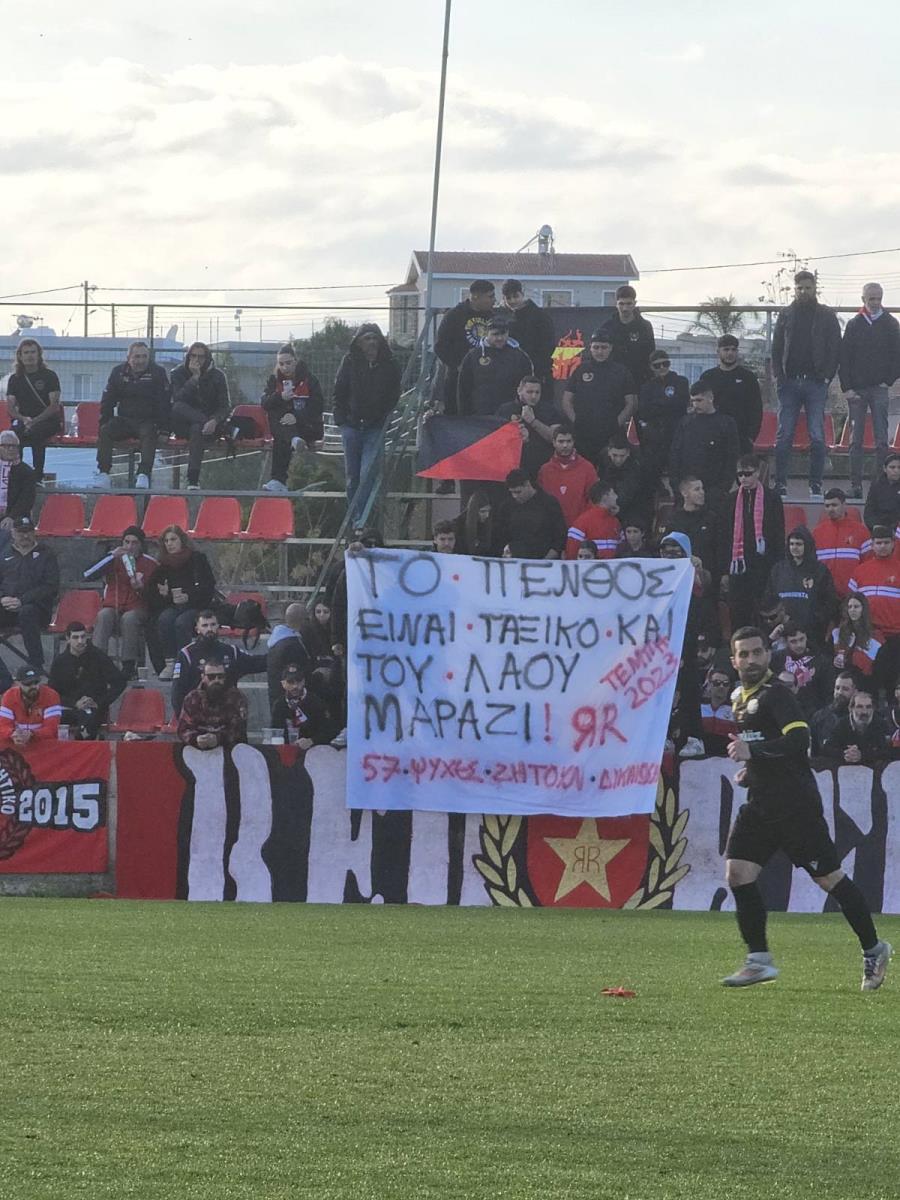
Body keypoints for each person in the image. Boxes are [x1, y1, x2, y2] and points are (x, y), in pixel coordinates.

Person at [722, 626, 891, 990]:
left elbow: (800, 739)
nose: (751, 660)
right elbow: (769, 748)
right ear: (733, 660)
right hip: (761, 804)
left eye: (757, 652)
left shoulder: (776, 695)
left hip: (795, 806)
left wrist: (754, 752)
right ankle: (758, 960)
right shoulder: (740, 699)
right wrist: (751, 771)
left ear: (769, 654)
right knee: (737, 873)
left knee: (829, 879)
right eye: (743, 654)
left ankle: (874, 948)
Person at [771, 270, 842, 499]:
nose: (803, 291)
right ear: (795, 289)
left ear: (814, 288)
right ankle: (780, 484)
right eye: (800, 288)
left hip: (816, 383)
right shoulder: (785, 314)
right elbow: (776, 348)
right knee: (784, 435)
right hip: (789, 383)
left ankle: (816, 485)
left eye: (807, 288)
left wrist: (826, 377)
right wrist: (779, 377)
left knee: (817, 435)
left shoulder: (826, 315)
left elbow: (835, 348)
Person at [333, 324, 401, 519]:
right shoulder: (349, 362)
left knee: (367, 473)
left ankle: (362, 520)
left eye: (375, 338)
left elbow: (394, 394)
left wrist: (383, 417)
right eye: (367, 338)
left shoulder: (390, 364)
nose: (371, 342)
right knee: (352, 477)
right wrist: (341, 421)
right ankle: (355, 518)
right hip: (351, 426)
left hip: (375, 428)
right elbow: (339, 391)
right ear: (359, 342)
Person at [839, 283, 900, 498]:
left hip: (879, 390)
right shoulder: (854, 324)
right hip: (857, 391)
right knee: (855, 440)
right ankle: (855, 485)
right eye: (871, 298)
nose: (875, 303)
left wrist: (888, 380)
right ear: (863, 299)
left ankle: (880, 486)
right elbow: (844, 357)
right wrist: (847, 387)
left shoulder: (891, 323)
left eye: (878, 298)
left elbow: (898, 355)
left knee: (881, 440)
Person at [93, 340, 170, 490]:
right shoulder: (118, 372)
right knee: (105, 431)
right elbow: (108, 400)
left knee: (149, 433)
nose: (141, 361)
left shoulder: (158, 373)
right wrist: (104, 422)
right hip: (124, 420)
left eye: (144, 356)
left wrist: (165, 430)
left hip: (147, 421)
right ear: (128, 358)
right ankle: (103, 473)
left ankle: (143, 474)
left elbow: (165, 403)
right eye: (137, 357)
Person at [85, 525, 158, 679]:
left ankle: (128, 665)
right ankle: (96, 662)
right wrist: (110, 557)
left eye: (134, 543)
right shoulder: (113, 559)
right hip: (113, 605)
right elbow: (88, 574)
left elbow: (155, 596)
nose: (130, 546)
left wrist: (141, 588)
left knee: (129, 618)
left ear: (141, 545)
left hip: (137, 607)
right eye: (126, 542)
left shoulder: (150, 564)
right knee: (103, 615)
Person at [145, 526, 216, 680]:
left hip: (196, 605)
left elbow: (208, 586)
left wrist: (188, 596)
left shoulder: (197, 559)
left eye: (173, 539)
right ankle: (170, 663)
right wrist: (164, 594)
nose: (169, 544)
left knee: (181, 623)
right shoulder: (163, 565)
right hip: (174, 606)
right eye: (166, 541)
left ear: (182, 540)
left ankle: (184, 662)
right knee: (164, 619)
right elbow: (152, 591)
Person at [723, 455, 784, 629]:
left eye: (748, 474)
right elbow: (725, 536)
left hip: (763, 566)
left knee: (764, 615)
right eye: (740, 474)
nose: (743, 478)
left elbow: (778, 534)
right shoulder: (730, 500)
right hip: (738, 568)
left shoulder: (772, 499)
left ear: (757, 473)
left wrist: (777, 568)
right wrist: (725, 570)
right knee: (738, 614)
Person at [560, 329, 636, 466]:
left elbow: (631, 403)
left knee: (609, 470)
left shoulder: (621, 372)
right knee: (584, 470)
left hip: (611, 434)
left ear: (611, 348)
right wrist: (576, 421)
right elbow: (566, 400)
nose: (600, 351)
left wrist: (616, 424)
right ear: (590, 348)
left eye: (604, 347)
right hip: (583, 433)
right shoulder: (581, 369)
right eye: (596, 347)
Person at [170, 609, 267, 716]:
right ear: (197, 629)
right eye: (205, 625)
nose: (209, 629)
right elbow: (177, 692)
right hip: (198, 715)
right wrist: (184, 719)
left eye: (213, 625)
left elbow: (257, 663)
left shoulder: (231, 652)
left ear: (218, 627)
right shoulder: (186, 654)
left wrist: (278, 653)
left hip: (227, 715)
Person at [260, 343, 324, 495]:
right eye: (281, 364)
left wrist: (296, 416)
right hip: (285, 428)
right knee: (275, 417)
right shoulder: (274, 380)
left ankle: (278, 480)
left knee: (281, 436)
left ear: (296, 361)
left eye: (288, 363)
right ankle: (293, 440)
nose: (285, 367)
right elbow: (264, 403)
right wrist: (280, 397)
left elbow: (317, 407)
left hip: (308, 428)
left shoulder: (310, 380)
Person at [48, 621, 126, 739]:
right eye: (75, 637)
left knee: (88, 722)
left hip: (94, 707)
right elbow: (52, 692)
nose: (80, 641)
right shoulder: (60, 662)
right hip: (69, 707)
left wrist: (100, 702)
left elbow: (119, 682)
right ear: (68, 639)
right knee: (48, 717)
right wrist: (74, 703)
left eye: (83, 637)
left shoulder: (98, 657)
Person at [169, 342, 231, 491]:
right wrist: (194, 378)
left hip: (210, 427)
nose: (197, 360)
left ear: (207, 358)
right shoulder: (177, 373)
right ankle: (205, 422)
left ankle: (193, 480)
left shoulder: (218, 376)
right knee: (178, 407)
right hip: (184, 424)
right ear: (188, 357)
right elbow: (177, 399)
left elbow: (225, 406)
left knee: (197, 429)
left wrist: (214, 420)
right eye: (193, 356)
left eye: (201, 357)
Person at [763, 526, 837, 648]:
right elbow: (769, 600)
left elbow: (829, 602)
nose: (794, 547)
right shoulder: (778, 570)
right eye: (791, 544)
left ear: (807, 546)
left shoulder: (820, 571)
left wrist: (813, 621)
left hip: (811, 634)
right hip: (782, 633)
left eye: (798, 544)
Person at [0, 515, 59, 667]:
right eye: (21, 532)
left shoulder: (47, 554)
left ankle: (36, 664)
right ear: (13, 533)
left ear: (34, 532)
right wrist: (2, 598)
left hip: (37, 609)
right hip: (7, 607)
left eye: (28, 531)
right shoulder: (4, 554)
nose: (25, 536)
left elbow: (51, 586)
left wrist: (22, 601)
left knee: (27, 612)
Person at [667, 381, 739, 501]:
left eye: (699, 400)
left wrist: (723, 488)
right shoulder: (685, 422)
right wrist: (676, 485)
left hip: (714, 488)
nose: (695, 404)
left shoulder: (726, 424)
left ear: (710, 398)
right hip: (687, 490)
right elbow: (675, 454)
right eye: (693, 401)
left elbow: (731, 458)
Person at [5, 339, 63, 484]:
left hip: (48, 421)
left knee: (36, 433)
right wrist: (23, 419)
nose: (29, 356)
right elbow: (10, 407)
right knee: (13, 435)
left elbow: (53, 406)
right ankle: (15, 474)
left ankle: (38, 476)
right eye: (26, 353)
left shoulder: (50, 376)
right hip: (25, 420)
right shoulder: (14, 379)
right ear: (20, 356)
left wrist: (35, 421)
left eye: (33, 352)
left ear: (39, 354)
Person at [434, 280, 496, 415]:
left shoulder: (492, 316)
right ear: (476, 297)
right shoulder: (454, 315)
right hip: (458, 380)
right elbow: (440, 347)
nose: (494, 300)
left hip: (485, 379)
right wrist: (457, 365)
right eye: (490, 296)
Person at [697, 335, 763, 456]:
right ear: (718, 351)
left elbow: (756, 408)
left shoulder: (748, 377)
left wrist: (751, 436)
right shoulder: (707, 377)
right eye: (726, 349)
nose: (730, 353)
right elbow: (700, 405)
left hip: (740, 437)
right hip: (713, 436)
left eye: (733, 349)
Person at [458, 317, 532, 417]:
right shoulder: (473, 356)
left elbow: (528, 386)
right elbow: (463, 388)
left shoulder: (519, 356)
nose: (500, 338)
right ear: (486, 333)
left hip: (510, 415)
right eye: (495, 334)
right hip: (480, 414)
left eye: (503, 334)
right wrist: (464, 415)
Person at [635, 349, 689, 483]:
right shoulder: (647, 387)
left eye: (665, 364)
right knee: (653, 475)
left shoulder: (681, 381)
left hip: (676, 434)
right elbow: (644, 412)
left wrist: (658, 403)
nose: (662, 368)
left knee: (678, 475)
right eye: (657, 365)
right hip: (656, 437)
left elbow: (681, 403)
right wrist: (668, 403)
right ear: (651, 367)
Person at [177, 655, 248, 751]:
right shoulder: (192, 699)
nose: (216, 680)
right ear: (203, 677)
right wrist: (196, 739)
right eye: (211, 677)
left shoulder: (237, 698)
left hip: (229, 749)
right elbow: (183, 729)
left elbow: (239, 730)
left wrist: (218, 739)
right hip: (198, 750)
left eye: (220, 676)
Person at [493, 470, 567, 560]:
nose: (515, 496)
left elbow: (560, 535)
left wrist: (546, 560)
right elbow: (500, 535)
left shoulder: (549, 503)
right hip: (513, 559)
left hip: (543, 558)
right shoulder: (507, 506)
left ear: (527, 484)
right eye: (512, 492)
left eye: (518, 492)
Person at [662, 477, 724, 580]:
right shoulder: (674, 520)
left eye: (702, 488)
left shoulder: (711, 518)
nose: (702, 492)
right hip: (681, 575)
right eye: (697, 489)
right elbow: (666, 548)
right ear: (685, 493)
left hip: (708, 577)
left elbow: (720, 547)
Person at [497, 375, 557, 480]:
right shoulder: (505, 410)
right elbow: (496, 439)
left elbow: (555, 438)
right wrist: (516, 436)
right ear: (519, 391)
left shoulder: (549, 410)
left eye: (537, 392)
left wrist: (533, 421)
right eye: (529, 392)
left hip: (542, 464)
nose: (534, 396)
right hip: (514, 466)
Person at [537, 424, 597, 527]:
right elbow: (540, 501)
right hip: (552, 528)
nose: (565, 445)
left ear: (574, 442)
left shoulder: (587, 468)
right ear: (554, 442)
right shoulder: (545, 471)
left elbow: (594, 500)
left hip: (580, 528)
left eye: (568, 441)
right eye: (561, 441)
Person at [813, 488, 869, 599]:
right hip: (824, 596)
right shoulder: (817, 533)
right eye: (827, 506)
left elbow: (867, 564)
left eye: (834, 505)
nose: (830, 509)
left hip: (852, 596)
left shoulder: (861, 532)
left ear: (844, 505)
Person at [501, 279, 556, 388]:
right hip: (512, 374)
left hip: (537, 372)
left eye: (515, 296)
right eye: (508, 298)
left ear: (522, 294)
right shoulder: (505, 318)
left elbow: (548, 346)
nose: (513, 301)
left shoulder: (540, 316)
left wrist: (538, 369)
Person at [598, 284, 656, 385]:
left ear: (635, 303)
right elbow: (601, 355)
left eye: (629, 304)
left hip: (639, 379)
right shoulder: (607, 327)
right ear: (616, 304)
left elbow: (651, 354)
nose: (625, 308)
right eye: (621, 304)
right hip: (614, 380)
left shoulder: (645, 326)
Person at [774, 623, 833, 716]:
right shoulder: (777, 658)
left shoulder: (821, 661)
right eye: (793, 641)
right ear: (786, 642)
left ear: (806, 637)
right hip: (782, 711)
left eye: (801, 639)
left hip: (812, 713)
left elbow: (828, 692)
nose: (799, 645)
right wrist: (771, 639)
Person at [271, 663, 334, 748]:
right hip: (287, 750)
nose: (295, 686)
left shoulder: (316, 702)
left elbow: (330, 731)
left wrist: (311, 741)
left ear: (304, 681)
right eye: (290, 682)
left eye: (298, 681)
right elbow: (276, 731)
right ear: (283, 684)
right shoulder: (279, 704)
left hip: (313, 750)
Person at [822, 690, 888, 766]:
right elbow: (827, 748)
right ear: (850, 709)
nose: (864, 712)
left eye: (868, 707)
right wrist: (845, 754)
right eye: (859, 707)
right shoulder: (841, 724)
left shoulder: (881, 724)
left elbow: (888, 750)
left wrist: (862, 755)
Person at [0, 664, 61, 744]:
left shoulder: (51, 695)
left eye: (36, 682)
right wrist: (13, 734)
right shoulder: (9, 696)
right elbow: (3, 726)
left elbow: (51, 729)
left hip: (43, 742)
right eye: (28, 684)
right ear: (18, 683)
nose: (33, 686)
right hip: (16, 742)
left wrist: (31, 734)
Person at [267, 602, 312, 709]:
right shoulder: (292, 645)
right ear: (303, 620)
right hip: (292, 702)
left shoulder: (276, 641)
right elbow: (302, 672)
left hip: (276, 698)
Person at [565, 481, 621, 560]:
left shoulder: (615, 522)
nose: (616, 497)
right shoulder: (582, 522)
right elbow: (571, 555)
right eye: (613, 493)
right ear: (605, 496)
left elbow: (622, 550)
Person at [832, 594, 880, 680]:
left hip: (863, 680)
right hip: (840, 679)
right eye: (849, 607)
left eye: (856, 607)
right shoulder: (838, 632)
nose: (852, 610)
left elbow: (870, 666)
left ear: (863, 609)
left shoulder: (875, 636)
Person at [810, 671, 858, 752]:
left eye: (845, 689)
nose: (840, 692)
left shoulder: (862, 716)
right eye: (837, 688)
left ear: (855, 691)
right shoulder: (820, 716)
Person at [0, 430, 37, 529]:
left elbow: (26, 499)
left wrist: (11, 517)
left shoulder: (26, 472)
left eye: (14, 446)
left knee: (8, 529)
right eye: (6, 446)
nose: (11, 449)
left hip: (15, 517)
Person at [701, 667, 738, 756]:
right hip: (700, 757)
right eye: (717, 683)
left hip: (726, 758)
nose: (721, 687)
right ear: (709, 685)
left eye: (725, 684)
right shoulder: (699, 707)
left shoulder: (735, 710)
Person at [863, 452, 900, 532]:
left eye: (899, 467)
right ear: (884, 469)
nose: (896, 470)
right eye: (892, 467)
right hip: (879, 528)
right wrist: (875, 526)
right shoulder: (876, 486)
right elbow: (869, 512)